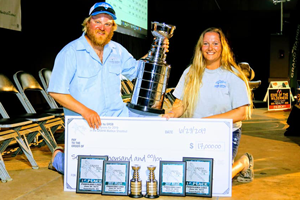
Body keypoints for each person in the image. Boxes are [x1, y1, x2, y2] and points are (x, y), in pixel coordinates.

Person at [47, 2, 168, 174]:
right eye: (97, 21)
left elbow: (136, 70)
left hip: (117, 119)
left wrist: (155, 53)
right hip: (86, 123)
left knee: (133, 161)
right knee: (88, 174)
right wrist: (86, 111)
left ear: (113, 28)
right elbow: (56, 91)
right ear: (88, 23)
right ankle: (59, 158)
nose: (102, 27)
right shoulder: (70, 52)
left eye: (108, 23)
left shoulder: (117, 50)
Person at [162, 27, 254, 182]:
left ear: (222, 47)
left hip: (225, 134)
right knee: (187, 177)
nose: (210, 48)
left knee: (213, 180)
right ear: (200, 48)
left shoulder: (233, 75)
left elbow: (242, 113)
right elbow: (182, 103)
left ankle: (244, 162)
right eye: (206, 43)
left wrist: (208, 121)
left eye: (215, 43)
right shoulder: (191, 72)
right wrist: (172, 114)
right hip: (196, 132)